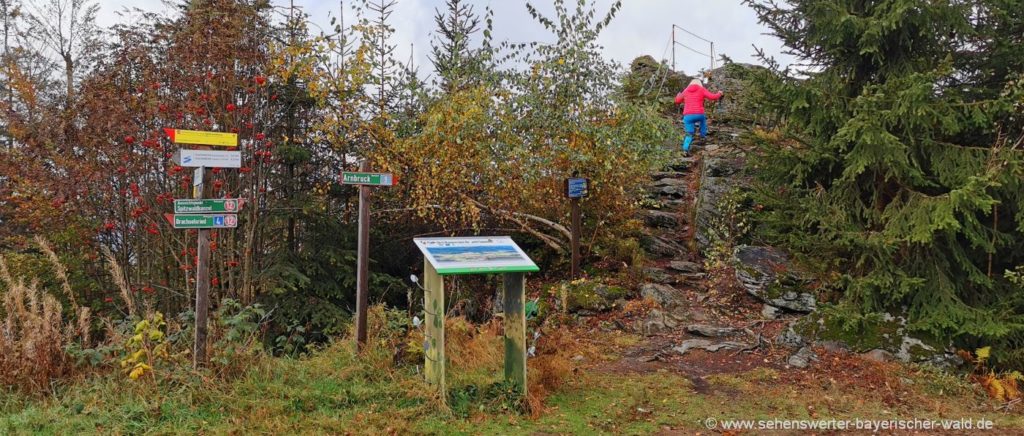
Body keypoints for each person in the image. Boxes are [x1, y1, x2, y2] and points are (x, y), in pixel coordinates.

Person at [674, 78, 723, 155]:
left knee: (689, 133)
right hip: (699, 114)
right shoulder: (701, 89)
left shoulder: (686, 90)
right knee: (703, 121)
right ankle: (702, 135)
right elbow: (712, 97)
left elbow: (677, 101)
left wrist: (678, 95)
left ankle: (685, 149)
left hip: (688, 115)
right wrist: (719, 94)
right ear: (699, 83)